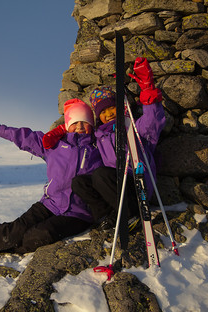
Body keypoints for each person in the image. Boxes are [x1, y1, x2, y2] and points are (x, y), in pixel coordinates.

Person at [0, 99, 103, 262]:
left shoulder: (99, 149)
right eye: (75, 122)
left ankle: (3, 248)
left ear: (91, 125)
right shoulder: (54, 145)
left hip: (78, 214)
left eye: (84, 122)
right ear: (67, 124)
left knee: (39, 236)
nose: (79, 126)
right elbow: (24, 137)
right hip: (49, 204)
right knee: (11, 234)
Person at [71, 57, 166, 230]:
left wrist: (147, 88)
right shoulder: (99, 136)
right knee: (79, 182)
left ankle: (131, 214)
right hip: (114, 188)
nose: (108, 114)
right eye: (103, 111)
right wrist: (63, 130)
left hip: (136, 183)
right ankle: (107, 216)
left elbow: (154, 122)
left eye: (111, 107)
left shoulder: (132, 126)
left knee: (101, 175)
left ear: (120, 106)